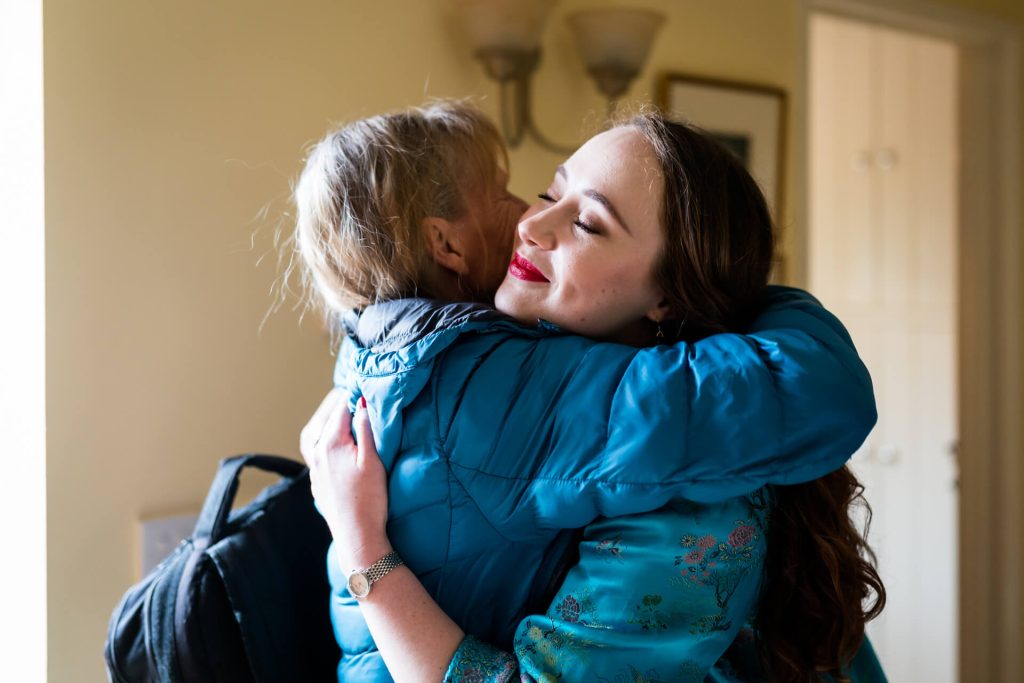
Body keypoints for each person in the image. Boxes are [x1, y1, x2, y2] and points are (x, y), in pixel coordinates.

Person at [293, 101, 883, 681]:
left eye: (587, 223)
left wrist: (364, 550)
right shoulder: (468, 360)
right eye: (550, 193)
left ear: (668, 297)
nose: (529, 223)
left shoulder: (689, 500)